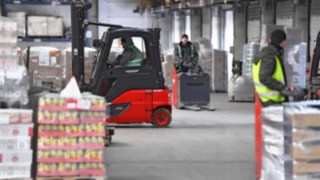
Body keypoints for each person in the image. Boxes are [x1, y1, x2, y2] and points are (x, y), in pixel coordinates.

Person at [252, 29, 305, 107]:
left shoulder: (267, 53)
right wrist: (283, 88)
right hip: (272, 99)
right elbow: (264, 77)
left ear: (269, 40)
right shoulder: (269, 56)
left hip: (269, 99)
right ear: (284, 42)